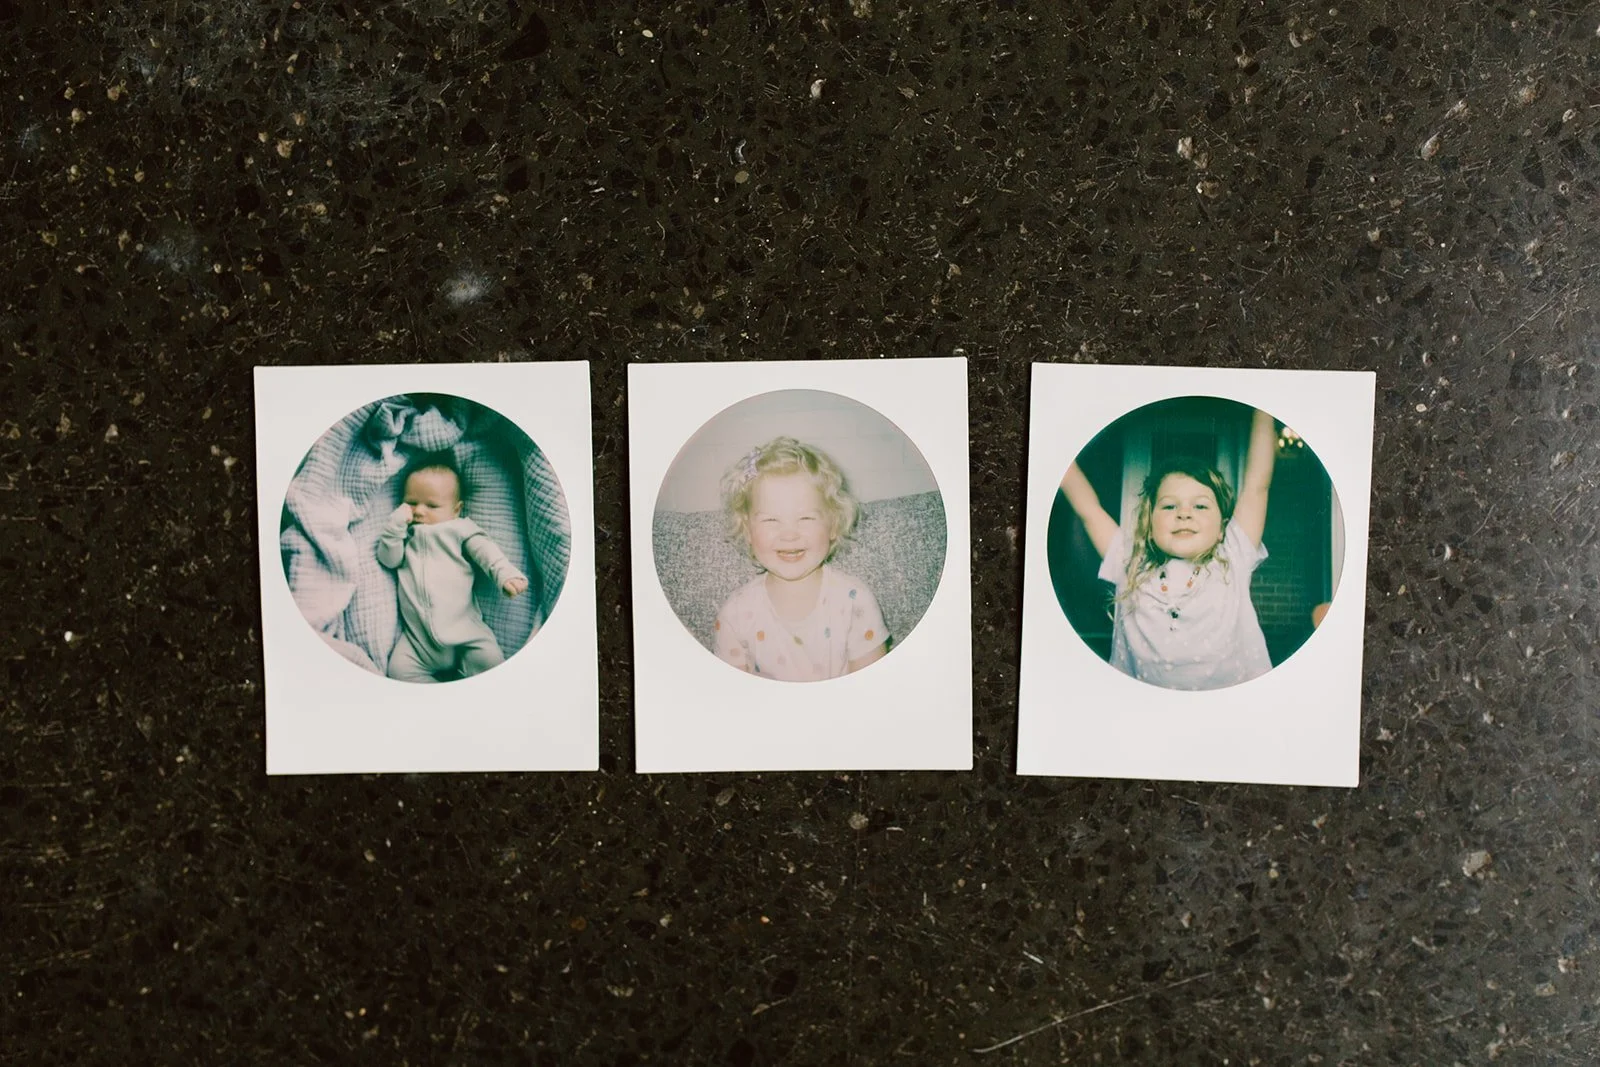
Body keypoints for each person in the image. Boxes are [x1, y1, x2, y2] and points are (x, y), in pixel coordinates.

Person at [1059, 408, 1278, 690]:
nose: (1184, 513)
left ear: (1223, 527)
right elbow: (1087, 508)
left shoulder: (1233, 555)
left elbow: (1257, 485)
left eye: (1200, 505)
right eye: (1169, 505)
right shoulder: (1129, 562)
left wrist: (1264, 408)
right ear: (1149, 524)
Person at [712, 437, 888, 681]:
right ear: (747, 529)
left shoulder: (856, 603)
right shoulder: (735, 615)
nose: (789, 534)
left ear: (834, 525)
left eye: (805, 518)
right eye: (771, 520)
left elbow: (872, 690)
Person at [376, 459, 529, 683]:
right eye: (411, 502)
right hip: (419, 641)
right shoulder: (405, 535)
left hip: (466, 632)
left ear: (456, 510)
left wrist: (505, 574)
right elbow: (389, 561)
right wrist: (394, 528)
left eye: (432, 506)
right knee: (398, 671)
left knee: (490, 661)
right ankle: (442, 703)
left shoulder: (459, 529)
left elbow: (486, 552)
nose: (419, 511)